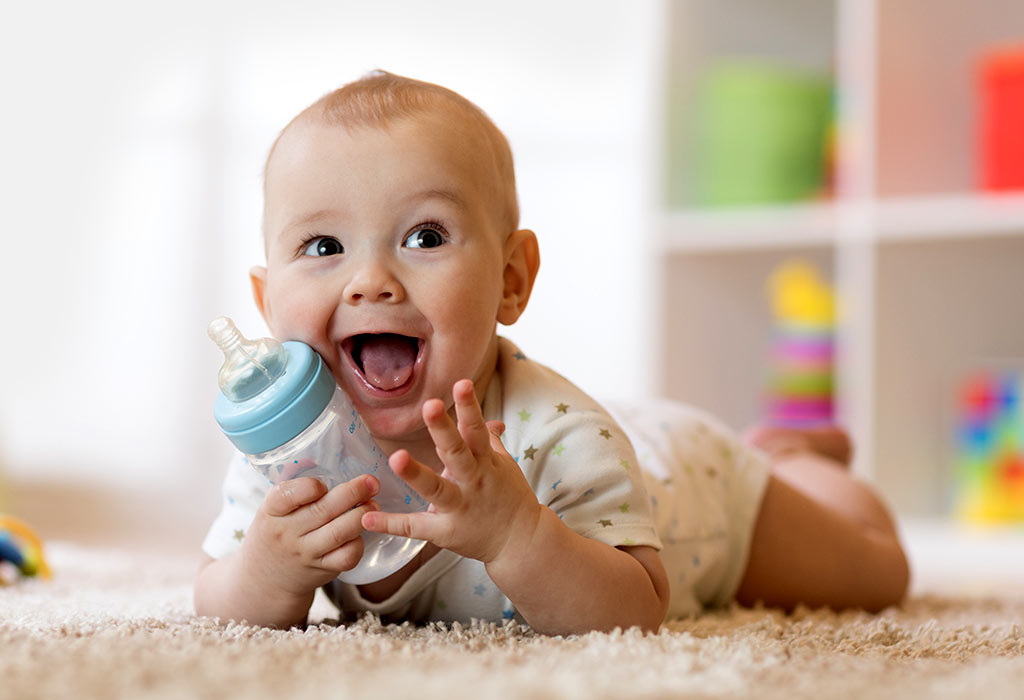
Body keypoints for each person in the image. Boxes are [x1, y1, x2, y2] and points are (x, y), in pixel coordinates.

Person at [194, 71, 909, 634]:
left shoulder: (559, 434)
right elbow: (218, 595)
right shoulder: (291, 452)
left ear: (511, 281)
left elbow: (636, 610)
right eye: (322, 247)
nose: (371, 281)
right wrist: (267, 570)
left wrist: (518, 535)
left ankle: (791, 460)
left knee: (877, 573)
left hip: (691, 486)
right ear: (266, 303)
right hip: (633, 443)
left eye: (425, 237)